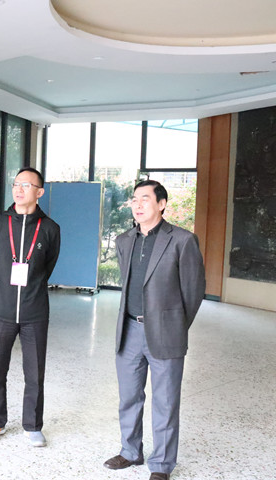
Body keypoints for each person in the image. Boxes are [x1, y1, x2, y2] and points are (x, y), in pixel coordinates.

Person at [103, 180, 205, 480]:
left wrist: (174, 325)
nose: (137, 205)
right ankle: (130, 451)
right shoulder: (124, 240)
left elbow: (193, 291)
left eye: (145, 199)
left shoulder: (182, 240)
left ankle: (161, 464)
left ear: (161, 204)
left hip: (166, 333)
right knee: (129, 397)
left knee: (165, 402)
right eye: (134, 199)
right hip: (129, 330)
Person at [0, 167, 60, 446]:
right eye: (16, 184)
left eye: (26, 185)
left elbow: (47, 266)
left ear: (40, 192)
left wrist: (30, 287)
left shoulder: (50, 228)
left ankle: (33, 425)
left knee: (35, 371)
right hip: (0, 309)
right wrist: (3, 284)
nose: (19, 189)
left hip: (34, 311)